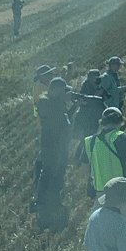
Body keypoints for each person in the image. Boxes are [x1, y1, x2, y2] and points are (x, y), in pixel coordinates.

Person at [85, 107, 126, 234]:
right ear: (121, 121)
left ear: (102, 122)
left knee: (104, 232)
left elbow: (86, 168)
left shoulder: (90, 141)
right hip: (124, 191)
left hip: (102, 194)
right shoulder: (124, 138)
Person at [34, 77, 74, 231]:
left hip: (61, 143)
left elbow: (65, 121)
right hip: (50, 143)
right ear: (54, 90)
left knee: (59, 170)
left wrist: (74, 106)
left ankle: (53, 197)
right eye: (63, 91)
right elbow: (53, 118)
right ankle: (41, 201)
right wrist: (62, 102)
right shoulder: (43, 100)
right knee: (48, 171)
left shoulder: (57, 102)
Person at [72, 69, 106, 161]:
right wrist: (96, 94)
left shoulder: (96, 85)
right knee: (86, 139)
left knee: (86, 138)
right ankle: (81, 159)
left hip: (93, 116)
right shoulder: (86, 86)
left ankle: (81, 159)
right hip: (87, 117)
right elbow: (85, 101)